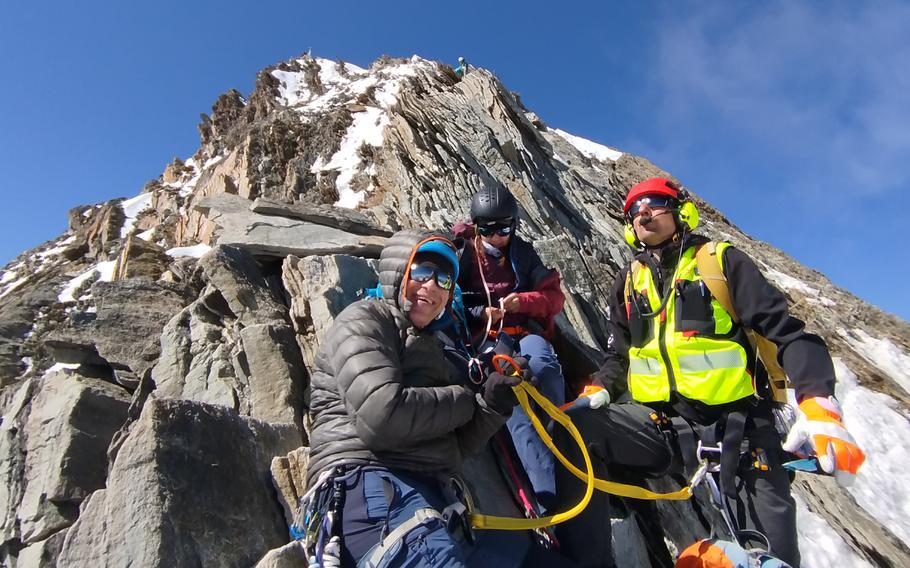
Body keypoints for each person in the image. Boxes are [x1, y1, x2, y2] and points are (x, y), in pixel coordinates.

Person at [551, 178, 865, 568]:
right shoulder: (628, 283)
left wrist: (818, 401)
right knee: (572, 430)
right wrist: (598, 388)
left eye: (653, 203)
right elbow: (622, 355)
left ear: (683, 212)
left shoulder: (719, 262)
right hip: (661, 425)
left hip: (742, 433)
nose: (642, 213)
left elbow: (789, 335)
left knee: (773, 560)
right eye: (634, 210)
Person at [305, 229, 527, 567]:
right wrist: (466, 399)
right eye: (422, 272)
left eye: (443, 279)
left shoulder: (436, 346)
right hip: (367, 481)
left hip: (432, 495)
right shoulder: (363, 320)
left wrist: (491, 406)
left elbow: (454, 448)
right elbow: (381, 417)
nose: (432, 287)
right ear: (399, 272)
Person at [452, 185, 567, 512]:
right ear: (476, 226)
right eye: (488, 229)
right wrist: (481, 312)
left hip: (525, 330)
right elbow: (453, 298)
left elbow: (554, 298)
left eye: (505, 228)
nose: (498, 236)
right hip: (490, 337)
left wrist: (524, 301)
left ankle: (555, 433)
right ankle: (544, 493)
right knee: (512, 393)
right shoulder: (464, 254)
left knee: (544, 368)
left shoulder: (524, 253)